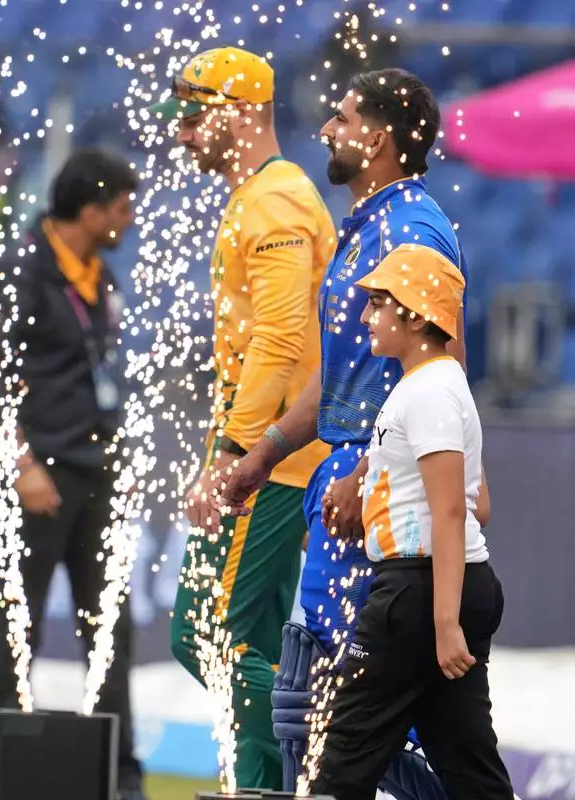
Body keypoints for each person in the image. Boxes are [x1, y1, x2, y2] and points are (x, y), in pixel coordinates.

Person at [217, 69, 471, 797]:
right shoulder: (366, 229)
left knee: (337, 707)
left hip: (384, 490)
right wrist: (265, 455)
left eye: (342, 116)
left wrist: (377, 475)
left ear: (380, 138)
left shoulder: (413, 232)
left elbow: (442, 372)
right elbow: (338, 375)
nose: (326, 128)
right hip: (347, 474)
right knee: (316, 703)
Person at [149, 46, 336, 791]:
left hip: (269, 464)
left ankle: (340, 753)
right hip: (276, 459)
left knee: (203, 634)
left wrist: (231, 455)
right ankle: (260, 787)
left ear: (242, 112)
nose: (183, 134)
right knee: (256, 638)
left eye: (194, 117)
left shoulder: (277, 201)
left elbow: (282, 336)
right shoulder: (261, 196)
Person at [0, 148, 146, 800]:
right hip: (37, 475)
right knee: (20, 626)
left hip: (97, 472)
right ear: (91, 210)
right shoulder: (16, 273)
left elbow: (101, 379)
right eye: (123, 207)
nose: (130, 219)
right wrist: (20, 464)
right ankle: (10, 774)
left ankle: (120, 779)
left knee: (110, 630)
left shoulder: (104, 278)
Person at [307, 244, 513, 800]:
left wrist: (444, 623)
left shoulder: (428, 393)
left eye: (378, 303)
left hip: (419, 593)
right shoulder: (439, 387)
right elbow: (477, 504)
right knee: (469, 768)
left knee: (343, 758)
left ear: (417, 315)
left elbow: (452, 511)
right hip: (444, 587)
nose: (366, 317)